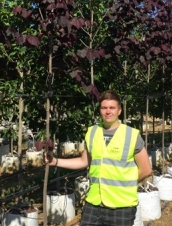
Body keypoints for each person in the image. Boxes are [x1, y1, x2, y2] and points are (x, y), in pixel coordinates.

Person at [45, 90, 152, 226]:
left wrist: (125, 184)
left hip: (122, 205)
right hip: (94, 202)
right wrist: (55, 161)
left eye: (112, 108)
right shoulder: (92, 132)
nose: (108, 111)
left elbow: (146, 169)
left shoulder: (132, 135)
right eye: (104, 108)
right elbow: (83, 161)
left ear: (119, 110)